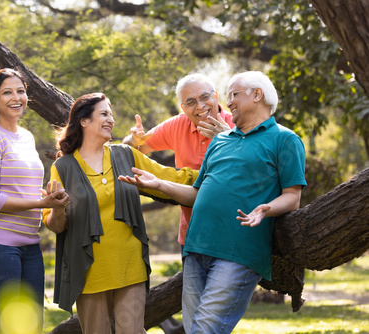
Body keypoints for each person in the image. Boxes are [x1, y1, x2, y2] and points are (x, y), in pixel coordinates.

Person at [119, 71, 307, 333]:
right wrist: (159, 184)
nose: (228, 103)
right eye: (228, 96)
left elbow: (292, 196)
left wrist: (266, 208)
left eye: (233, 95)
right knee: (194, 326)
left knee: (205, 328)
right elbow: (198, 193)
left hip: (237, 250)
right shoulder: (220, 140)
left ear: (257, 95)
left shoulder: (284, 139)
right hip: (196, 245)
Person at [42, 92, 197, 334]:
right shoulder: (63, 167)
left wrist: (215, 172)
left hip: (129, 263)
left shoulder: (126, 154)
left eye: (111, 114)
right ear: (84, 121)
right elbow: (56, 226)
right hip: (89, 268)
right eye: (104, 113)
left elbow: (170, 178)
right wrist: (58, 208)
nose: (110, 119)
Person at [0, 68, 70, 333]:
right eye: (7, 92)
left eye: (21, 91)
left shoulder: (26, 137)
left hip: (28, 242)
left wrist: (50, 198)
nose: (16, 97)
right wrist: (41, 204)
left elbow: (23, 188)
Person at [123, 73, 234, 250]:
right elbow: (132, 150)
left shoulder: (237, 125)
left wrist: (225, 140)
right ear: (183, 108)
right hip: (193, 234)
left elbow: (252, 172)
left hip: (234, 232)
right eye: (191, 102)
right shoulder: (177, 125)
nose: (200, 106)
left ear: (216, 96)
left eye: (205, 97)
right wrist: (132, 140)